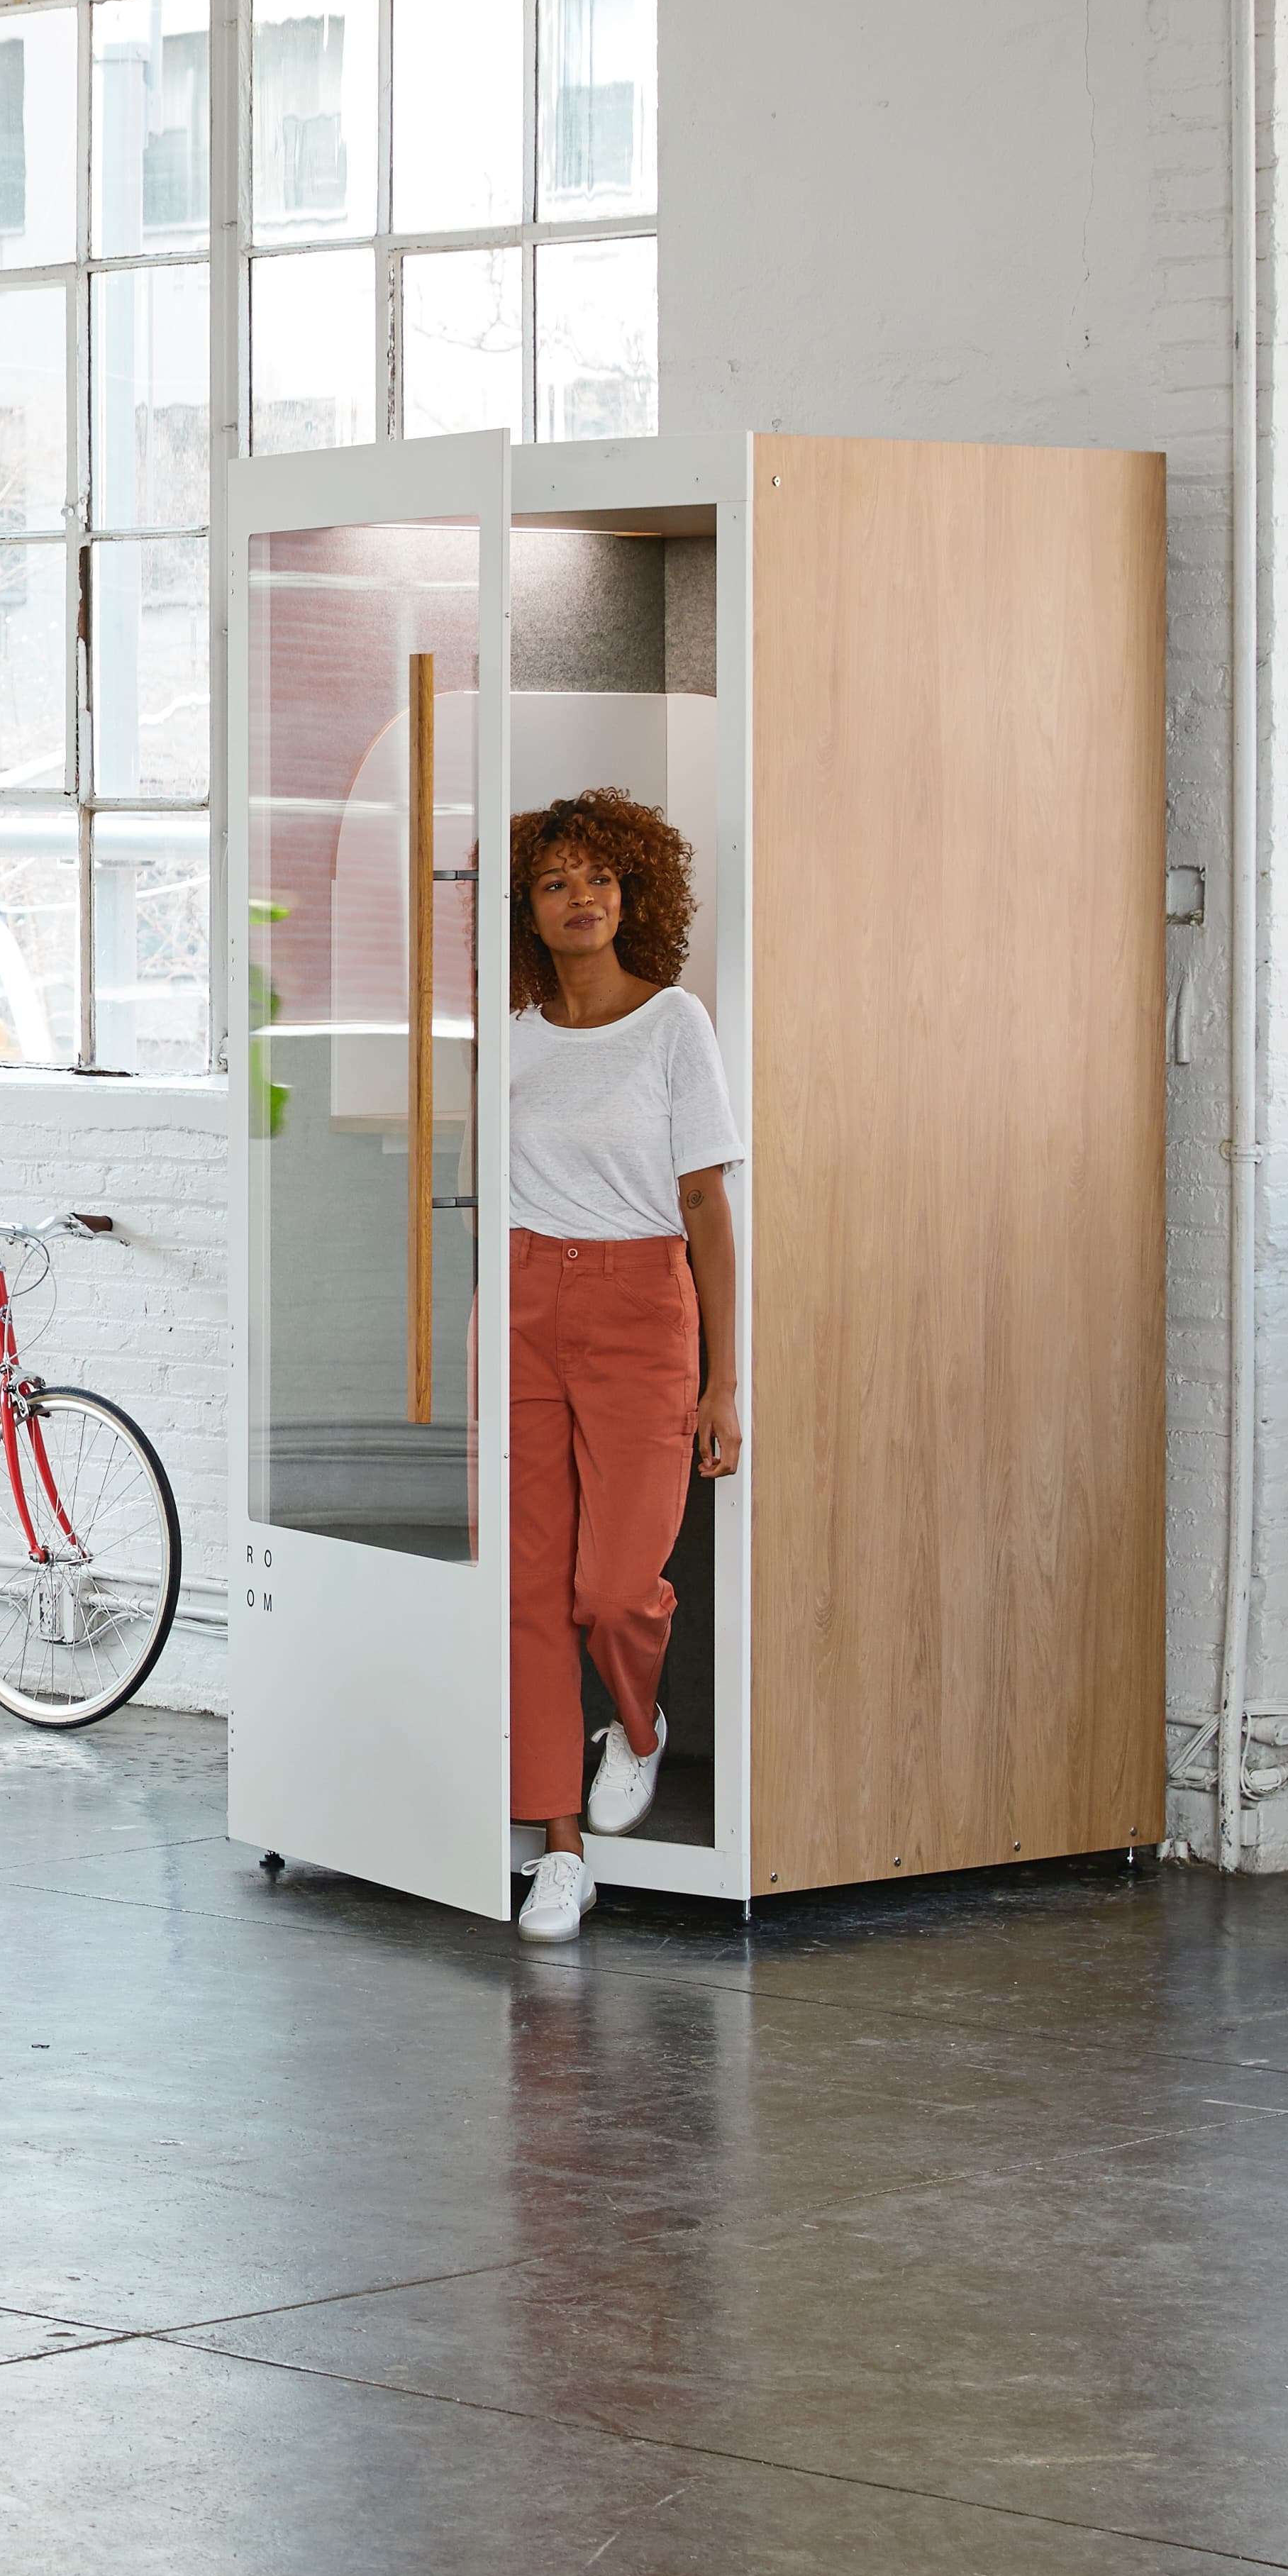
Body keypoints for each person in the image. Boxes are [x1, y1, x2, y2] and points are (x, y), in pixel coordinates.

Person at [502, 787, 745, 1945]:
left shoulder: (672, 1024)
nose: (580, 897)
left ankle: (637, 1728)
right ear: (528, 910)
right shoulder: (512, 1032)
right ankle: (561, 1850)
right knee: (528, 1593)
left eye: (598, 876)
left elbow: (706, 1206)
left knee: (610, 1588)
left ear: (631, 891)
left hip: (644, 1304)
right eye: (555, 883)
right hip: (521, 1303)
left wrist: (724, 1379)